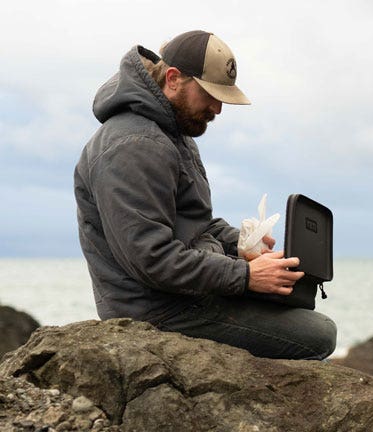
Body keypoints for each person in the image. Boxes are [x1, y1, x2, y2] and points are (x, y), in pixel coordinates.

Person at [74, 30, 336, 360]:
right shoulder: (133, 147)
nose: (218, 108)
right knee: (318, 334)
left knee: (299, 296)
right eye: (210, 94)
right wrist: (245, 277)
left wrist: (242, 246)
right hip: (156, 311)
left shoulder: (173, 134)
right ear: (173, 78)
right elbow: (151, 259)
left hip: (183, 293)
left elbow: (194, 223)